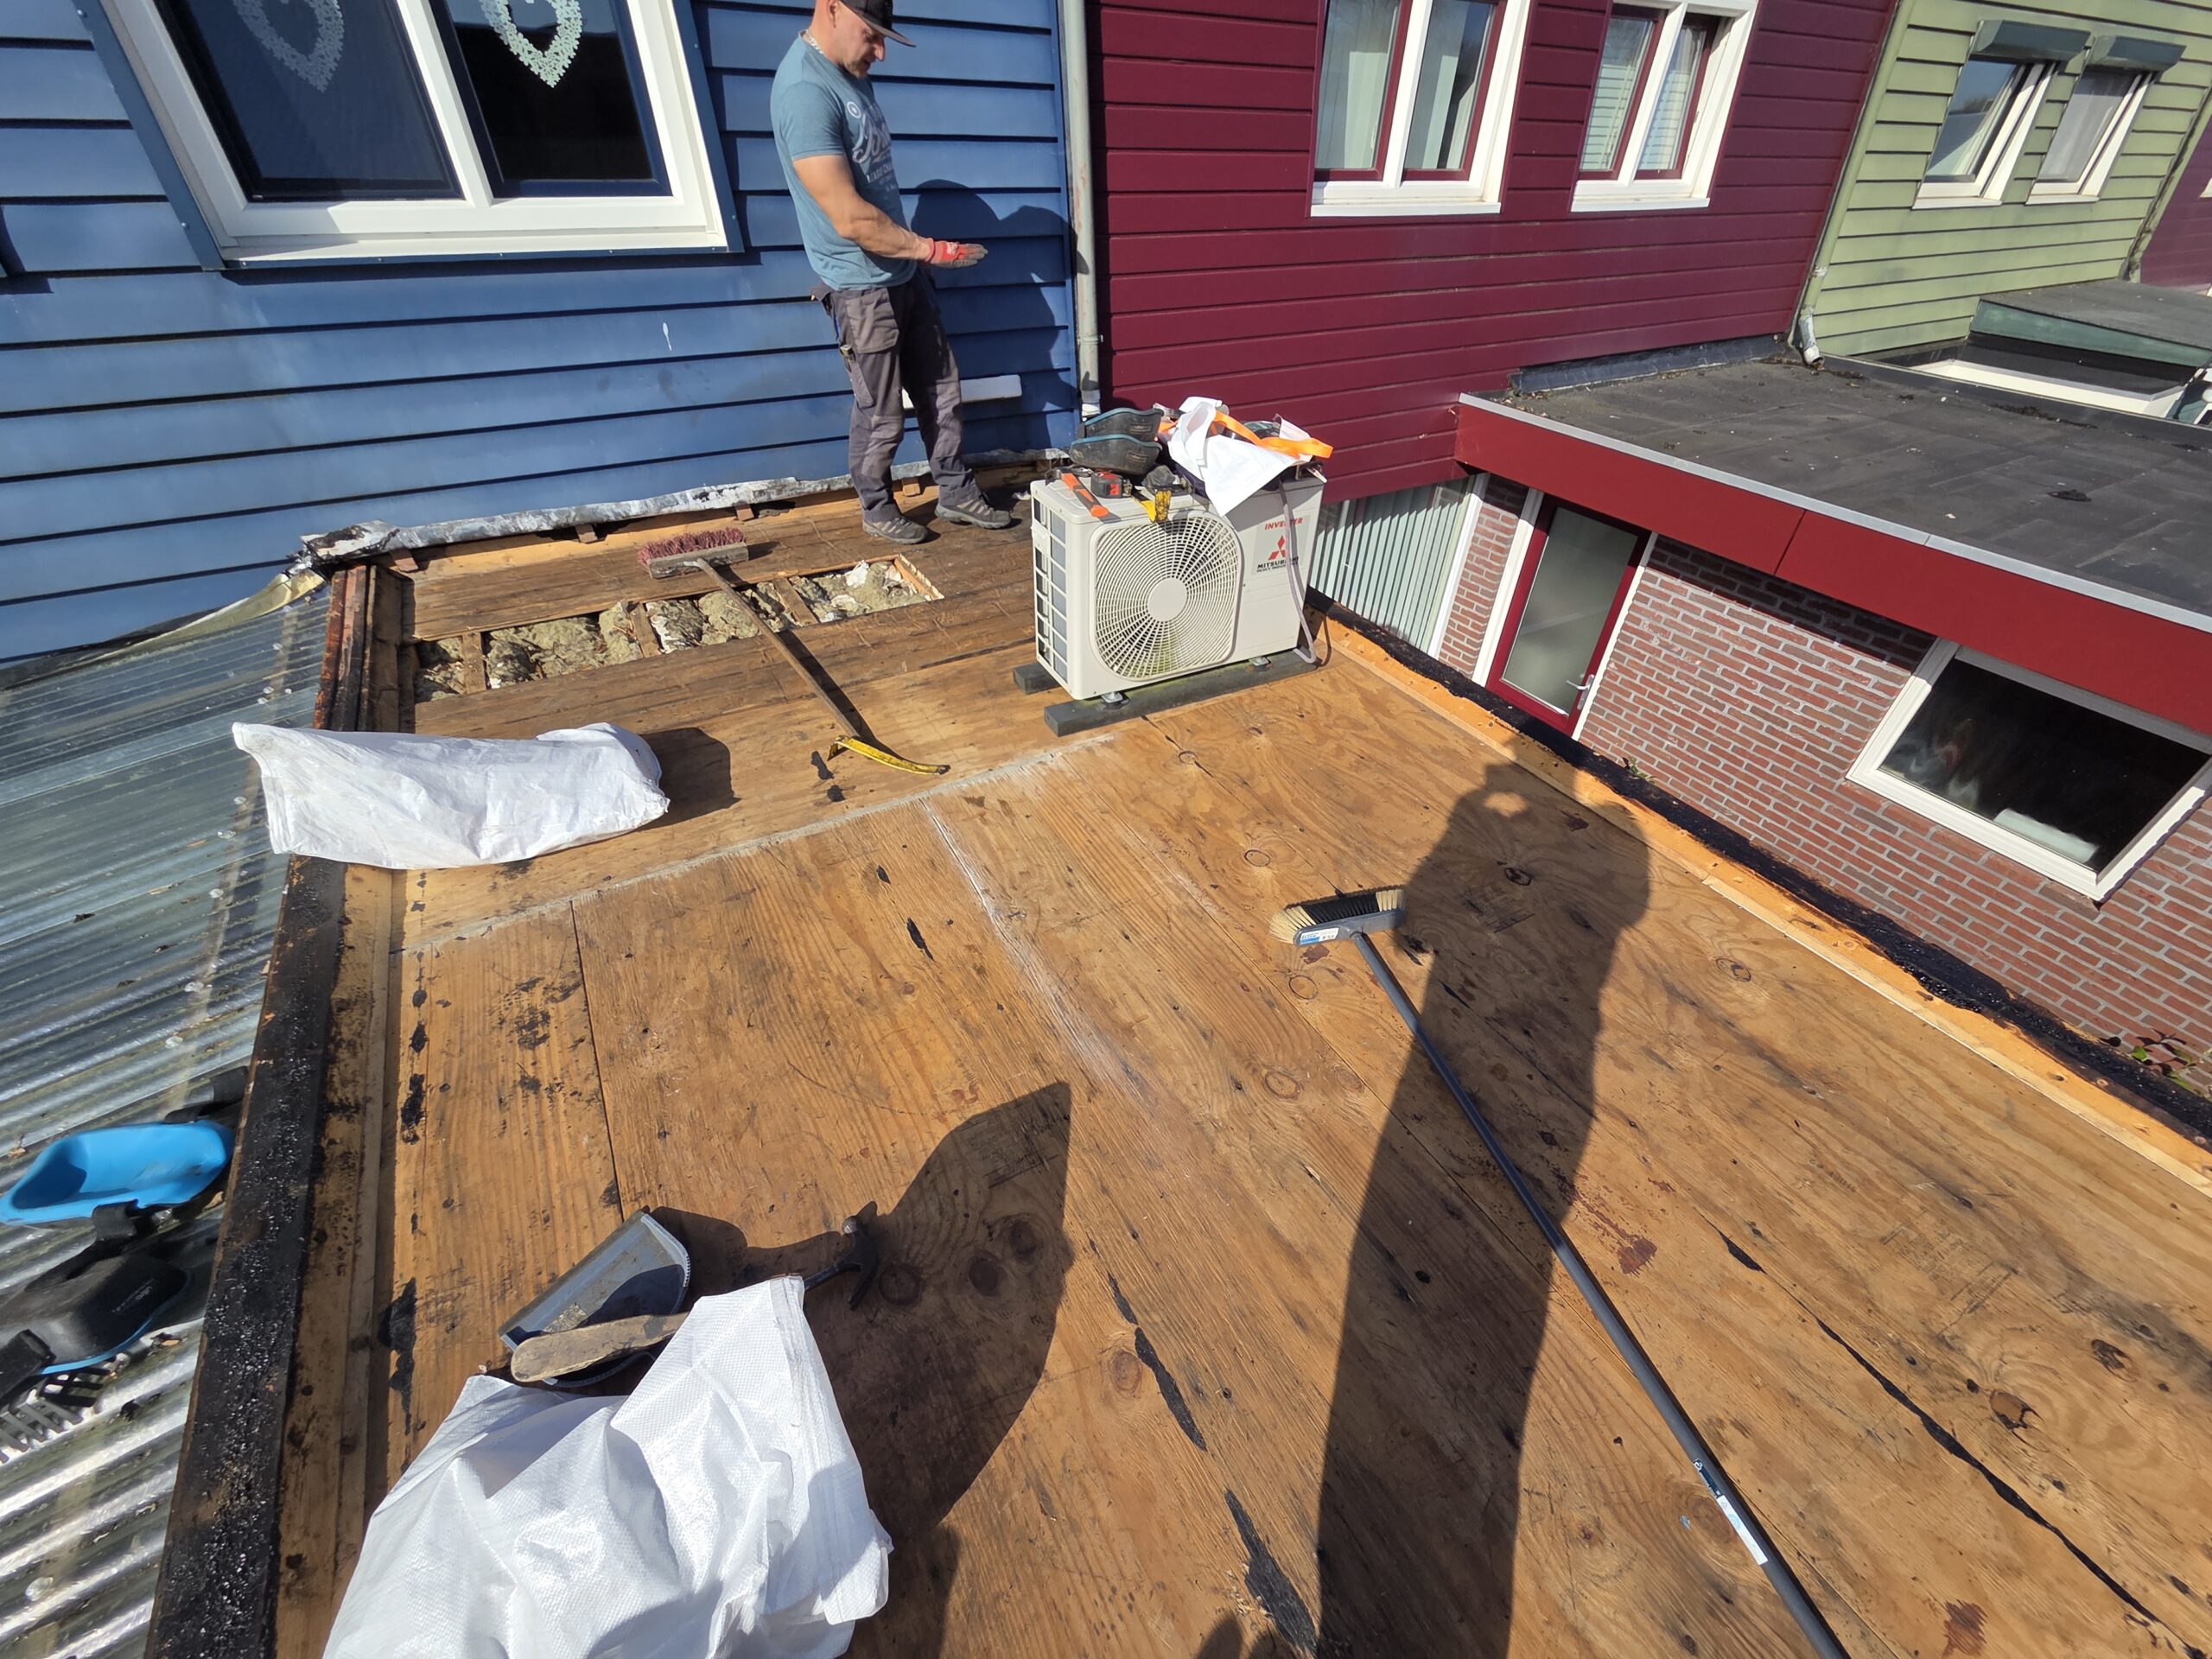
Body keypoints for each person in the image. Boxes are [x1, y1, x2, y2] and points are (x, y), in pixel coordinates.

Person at [771, 0, 1017, 543]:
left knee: (941, 393)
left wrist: (914, 258)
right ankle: (877, 507)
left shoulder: (850, 72)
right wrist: (933, 251)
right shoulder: (805, 93)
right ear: (831, 9)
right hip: (861, 288)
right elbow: (850, 217)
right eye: (872, 35)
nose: (881, 52)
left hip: (904, 273)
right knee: (881, 414)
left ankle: (954, 492)